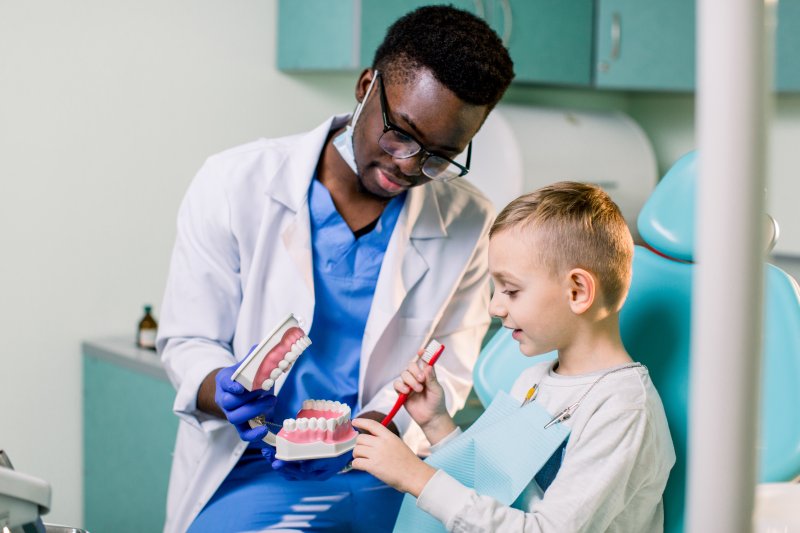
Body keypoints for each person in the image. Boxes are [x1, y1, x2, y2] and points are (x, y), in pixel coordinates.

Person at [156, 5, 514, 533]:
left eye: (439, 156)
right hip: (247, 461)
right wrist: (223, 385)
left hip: (379, 464)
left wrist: (352, 441)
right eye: (401, 134)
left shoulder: (469, 221)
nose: (409, 167)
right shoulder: (233, 184)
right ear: (367, 86)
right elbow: (188, 342)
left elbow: (449, 375)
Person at [352, 182, 676, 532]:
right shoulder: (534, 379)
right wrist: (435, 423)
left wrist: (418, 478)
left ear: (577, 291)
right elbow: (493, 485)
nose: (494, 306)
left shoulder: (622, 409)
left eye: (510, 290)